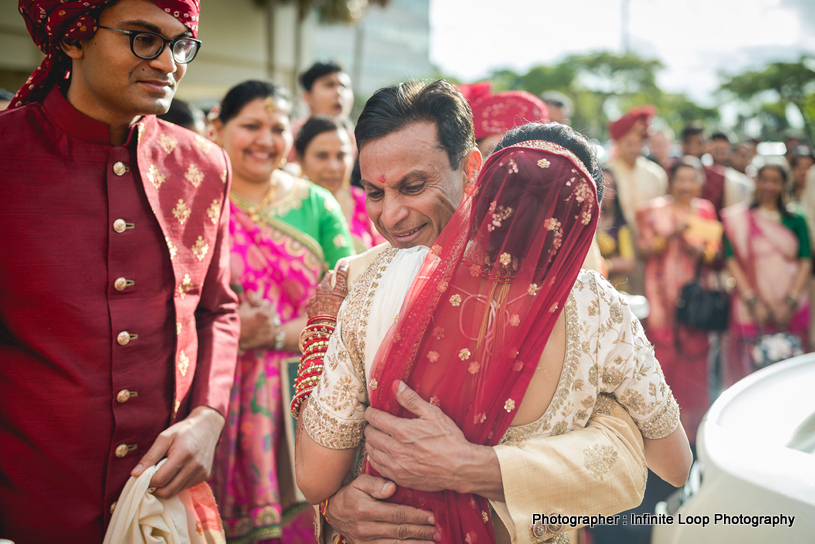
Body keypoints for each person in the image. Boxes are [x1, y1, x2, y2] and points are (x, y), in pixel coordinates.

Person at [291, 80, 663, 544]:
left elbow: (624, 450)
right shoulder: (358, 277)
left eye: (414, 185)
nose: (390, 216)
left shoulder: (570, 277)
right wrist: (339, 504)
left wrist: (475, 468)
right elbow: (321, 472)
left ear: (470, 169)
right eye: (374, 192)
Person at [0, 0, 240, 541]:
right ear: (73, 38)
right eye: (142, 37)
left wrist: (208, 416)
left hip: (160, 503)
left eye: (181, 44)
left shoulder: (203, 165)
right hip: (31, 507)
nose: (168, 63)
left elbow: (217, 309)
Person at [209, 80, 355, 543]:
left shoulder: (316, 204)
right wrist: (236, 329)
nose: (265, 141)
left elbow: (350, 306)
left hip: (303, 392)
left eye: (276, 128)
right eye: (250, 125)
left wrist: (272, 335)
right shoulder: (200, 198)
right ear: (218, 127)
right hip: (212, 390)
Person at [636, 157, 720, 444]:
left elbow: (714, 253)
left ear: (700, 182)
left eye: (691, 179)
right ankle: (660, 435)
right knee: (662, 359)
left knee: (696, 358)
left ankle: (694, 436)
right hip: (661, 296)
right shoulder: (653, 210)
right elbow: (644, 251)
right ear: (671, 182)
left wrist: (701, 252)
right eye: (681, 179)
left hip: (695, 298)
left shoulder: (706, 211)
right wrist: (672, 234)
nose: (686, 185)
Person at [721, 164, 811, 388]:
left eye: (775, 180)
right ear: (756, 182)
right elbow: (731, 260)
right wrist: (752, 301)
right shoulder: (738, 219)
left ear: (784, 185)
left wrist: (789, 303)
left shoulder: (796, 219)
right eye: (765, 180)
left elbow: (805, 261)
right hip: (751, 307)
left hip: (791, 305)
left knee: (793, 377)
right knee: (751, 377)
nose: (769, 186)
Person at [295, 115, 385, 252]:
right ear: (300, 158)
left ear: (354, 156)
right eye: (322, 156)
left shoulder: (366, 202)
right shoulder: (288, 206)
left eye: (341, 155)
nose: (333, 167)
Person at [606, 106, 668, 296]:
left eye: (639, 143)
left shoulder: (656, 175)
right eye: (629, 143)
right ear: (618, 143)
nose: (635, 148)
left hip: (650, 249)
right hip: (616, 249)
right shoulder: (608, 174)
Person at [680, 124, 752, 217]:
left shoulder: (722, 178)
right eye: (689, 142)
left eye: (699, 143)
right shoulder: (670, 173)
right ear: (682, 145)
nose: (694, 147)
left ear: (708, 146)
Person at [597, 167, 636, 290]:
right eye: (600, 185)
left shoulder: (620, 224)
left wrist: (603, 265)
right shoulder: (582, 219)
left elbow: (628, 263)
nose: (604, 191)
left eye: (609, 187)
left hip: (612, 287)